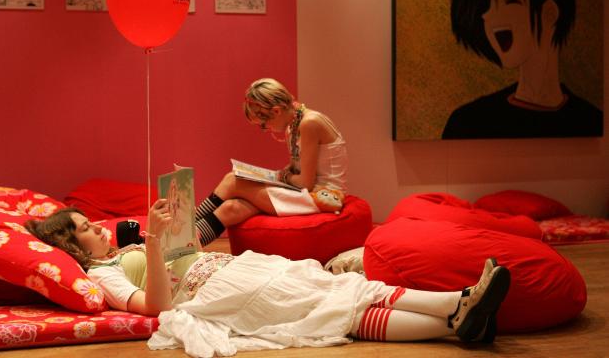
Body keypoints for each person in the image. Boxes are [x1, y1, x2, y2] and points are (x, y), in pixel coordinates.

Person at [25, 202, 511, 357]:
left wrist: (176, 236)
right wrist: (153, 246)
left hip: (233, 269)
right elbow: (154, 307)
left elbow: (179, 262)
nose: (97, 228)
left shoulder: (120, 252)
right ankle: (457, 312)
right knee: (340, 311)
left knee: (344, 292)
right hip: (218, 292)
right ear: (72, 246)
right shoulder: (102, 274)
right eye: (85, 229)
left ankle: (459, 310)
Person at [443, 0, 602, 139]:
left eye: (510, 0)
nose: (488, 15)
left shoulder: (591, 122)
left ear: (549, 13)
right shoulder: (467, 123)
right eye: (488, 6)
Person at [194, 78, 349, 246]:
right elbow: (296, 171)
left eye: (263, 125)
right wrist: (278, 176)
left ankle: (182, 231)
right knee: (230, 209)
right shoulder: (294, 124)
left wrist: (281, 177)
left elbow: (305, 182)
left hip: (323, 196)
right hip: (305, 191)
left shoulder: (309, 123)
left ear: (276, 111)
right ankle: (183, 247)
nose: (266, 129)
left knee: (233, 180)